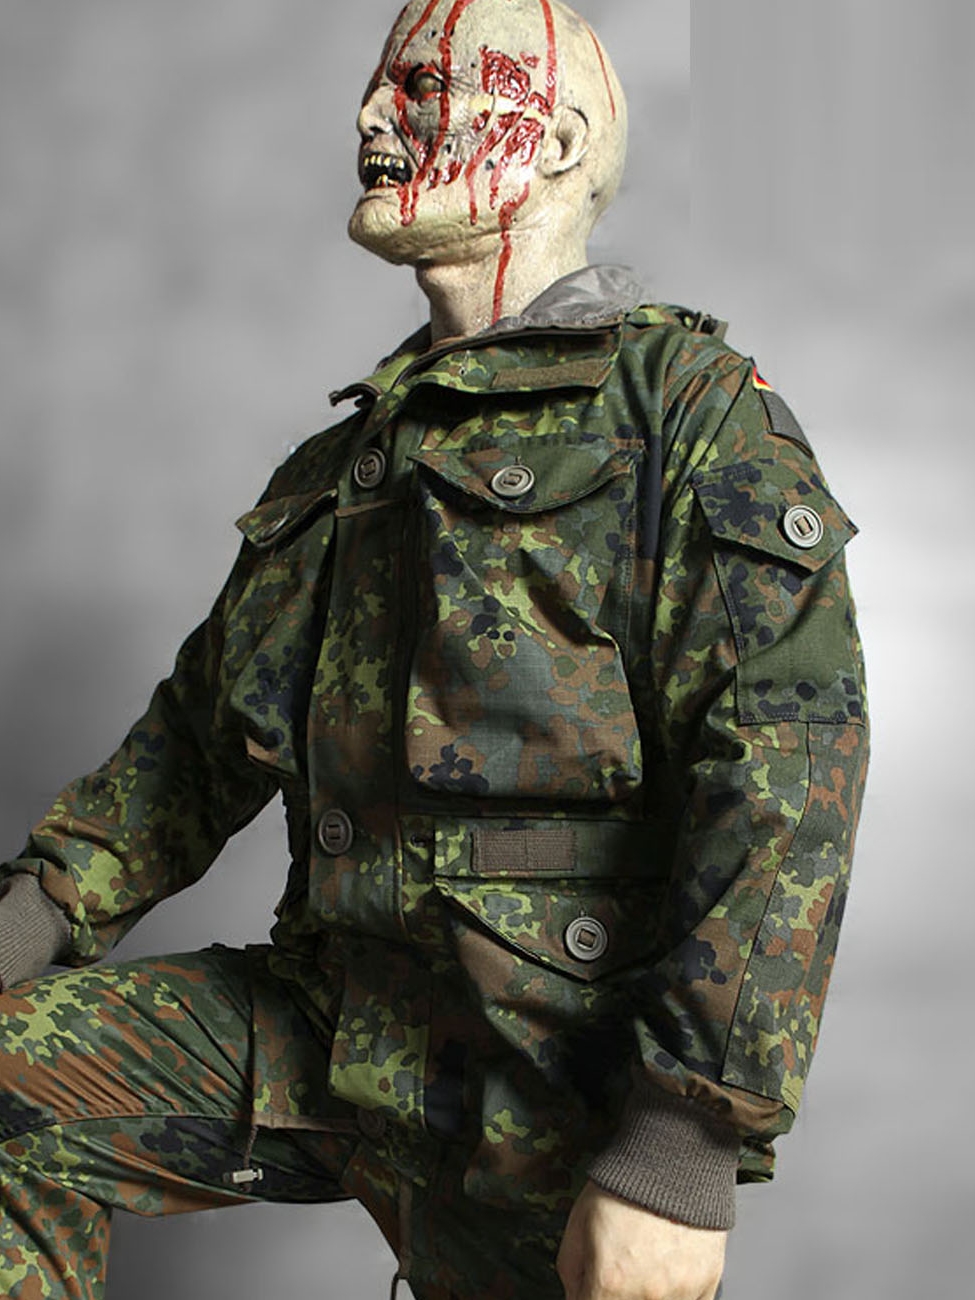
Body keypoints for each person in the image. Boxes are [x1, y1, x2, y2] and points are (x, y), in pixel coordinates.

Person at [0, 1, 868, 1297]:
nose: (370, 115)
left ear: (558, 141)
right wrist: (27, 919)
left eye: (419, 85)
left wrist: (681, 1145)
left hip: (548, 1081)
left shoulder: (683, 416)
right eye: (374, 87)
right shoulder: (346, 464)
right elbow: (188, 753)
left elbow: (788, 776)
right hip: (334, 1030)